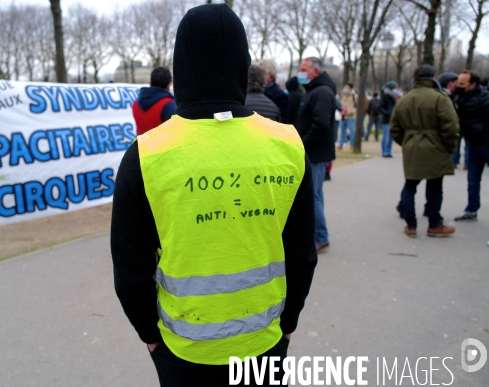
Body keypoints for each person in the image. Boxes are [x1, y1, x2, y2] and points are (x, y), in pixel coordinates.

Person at [111, 4, 318, 386]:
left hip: (183, 351)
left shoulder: (145, 154)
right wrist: (288, 325)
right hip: (265, 342)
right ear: (243, 64)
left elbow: (130, 268)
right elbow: (302, 253)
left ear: (181, 68)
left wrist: (150, 337)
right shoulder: (288, 144)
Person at [391, 65, 459, 237]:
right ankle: (434, 223)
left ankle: (411, 225)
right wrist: (449, 147)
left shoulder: (405, 99)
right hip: (436, 148)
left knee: (410, 186)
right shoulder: (440, 98)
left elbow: (395, 128)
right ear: (433, 77)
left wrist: (407, 142)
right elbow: (450, 126)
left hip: (412, 147)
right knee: (435, 186)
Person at [295, 57, 336, 252]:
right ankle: (319, 235)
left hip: (315, 153)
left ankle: (321, 236)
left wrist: (301, 143)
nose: (299, 72)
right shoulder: (315, 90)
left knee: (314, 196)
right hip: (314, 152)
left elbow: (320, 124)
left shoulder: (321, 92)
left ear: (315, 72)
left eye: (303, 69)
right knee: (316, 195)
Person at [453, 70, 489, 222]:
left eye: (462, 83)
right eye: (457, 83)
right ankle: (471, 210)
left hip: (486, 144)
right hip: (472, 144)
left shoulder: (484, 97)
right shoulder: (460, 97)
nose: (458, 86)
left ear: (473, 84)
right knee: (473, 180)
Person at [132, 66, 177, 135]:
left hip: (141, 145)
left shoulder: (136, 103)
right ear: (169, 84)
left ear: (150, 82)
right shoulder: (168, 105)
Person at [260, 59, 291, 124]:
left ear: (270, 77)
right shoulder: (256, 92)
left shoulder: (280, 96)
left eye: (260, 73)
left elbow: (283, 121)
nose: (257, 76)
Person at [380, 81, 398, 157]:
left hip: (393, 118)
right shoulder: (385, 96)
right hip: (386, 118)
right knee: (386, 135)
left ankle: (389, 150)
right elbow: (380, 107)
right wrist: (387, 113)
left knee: (391, 136)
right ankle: (384, 151)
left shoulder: (394, 96)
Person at [337, 83, 357, 150]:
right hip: (343, 116)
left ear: (351, 88)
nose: (346, 89)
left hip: (351, 117)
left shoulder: (354, 96)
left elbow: (357, 106)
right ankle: (341, 144)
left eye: (347, 87)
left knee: (352, 131)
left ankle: (352, 145)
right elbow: (339, 104)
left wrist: (352, 111)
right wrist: (340, 111)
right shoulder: (343, 95)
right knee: (342, 131)